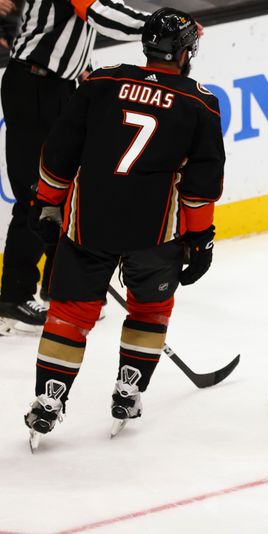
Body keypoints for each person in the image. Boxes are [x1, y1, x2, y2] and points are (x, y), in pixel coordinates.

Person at [23, 7, 225, 450]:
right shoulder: (200, 103)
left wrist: (46, 205)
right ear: (186, 52)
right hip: (154, 235)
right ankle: (128, 392)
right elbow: (199, 187)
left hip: (87, 225)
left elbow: (59, 153)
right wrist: (199, 238)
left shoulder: (100, 82)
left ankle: (48, 400)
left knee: (69, 315)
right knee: (149, 311)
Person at [0, 0, 150, 330]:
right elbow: (100, 13)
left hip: (58, 86)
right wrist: (162, 24)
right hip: (34, 86)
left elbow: (79, 28)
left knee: (69, 188)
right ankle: (13, 295)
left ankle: (60, 290)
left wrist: (83, 68)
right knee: (37, 192)